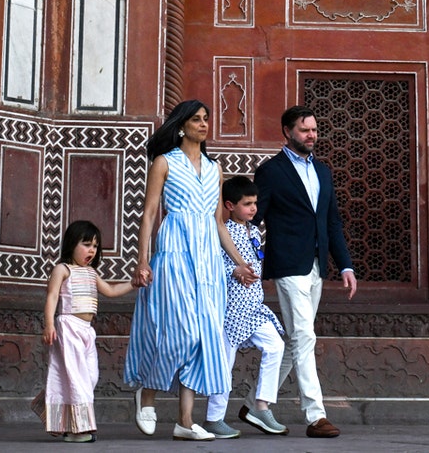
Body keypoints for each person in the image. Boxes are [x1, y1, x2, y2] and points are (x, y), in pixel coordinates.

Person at [124, 99, 259, 442]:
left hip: (208, 263)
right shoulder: (164, 162)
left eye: (206, 119)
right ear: (181, 125)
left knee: (201, 338)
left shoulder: (215, 169)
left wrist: (239, 262)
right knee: (180, 332)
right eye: (196, 119)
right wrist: (142, 259)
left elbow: (218, 223)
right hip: (174, 254)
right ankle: (149, 394)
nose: (203, 124)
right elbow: (151, 212)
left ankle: (185, 420)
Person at [252, 105, 357, 438]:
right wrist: (243, 259)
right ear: (287, 132)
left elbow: (332, 221)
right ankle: (316, 415)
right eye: (304, 130)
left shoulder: (323, 171)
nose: (311, 135)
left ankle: (257, 405)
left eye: (313, 129)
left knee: (296, 340)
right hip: (287, 264)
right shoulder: (271, 172)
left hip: (315, 267)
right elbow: (254, 218)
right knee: (304, 336)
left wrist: (345, 264)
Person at [32, 220, 135, 444]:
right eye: (86, 244)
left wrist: (134, 283)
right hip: (68, 326)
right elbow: (52, 297)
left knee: (90, 376)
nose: (91, 250)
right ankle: (80, 429)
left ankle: (59, 416)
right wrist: (49, 324)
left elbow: (111, 290)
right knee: (77, 379)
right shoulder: (63, 269)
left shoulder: (91, 272)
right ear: (71, 244)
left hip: (87, 331)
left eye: (95, 246)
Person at [202, 176, 289, 438]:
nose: (253, 208)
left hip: (253, 307)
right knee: (224, 363)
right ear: (229, 205)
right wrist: (234, 271)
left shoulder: (254, 230)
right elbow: (215, 265)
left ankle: (260, 406)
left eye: (255, 203)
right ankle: (214, 418)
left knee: (276, 345)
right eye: (247, 204)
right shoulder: (222, 231)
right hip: (231, 310)